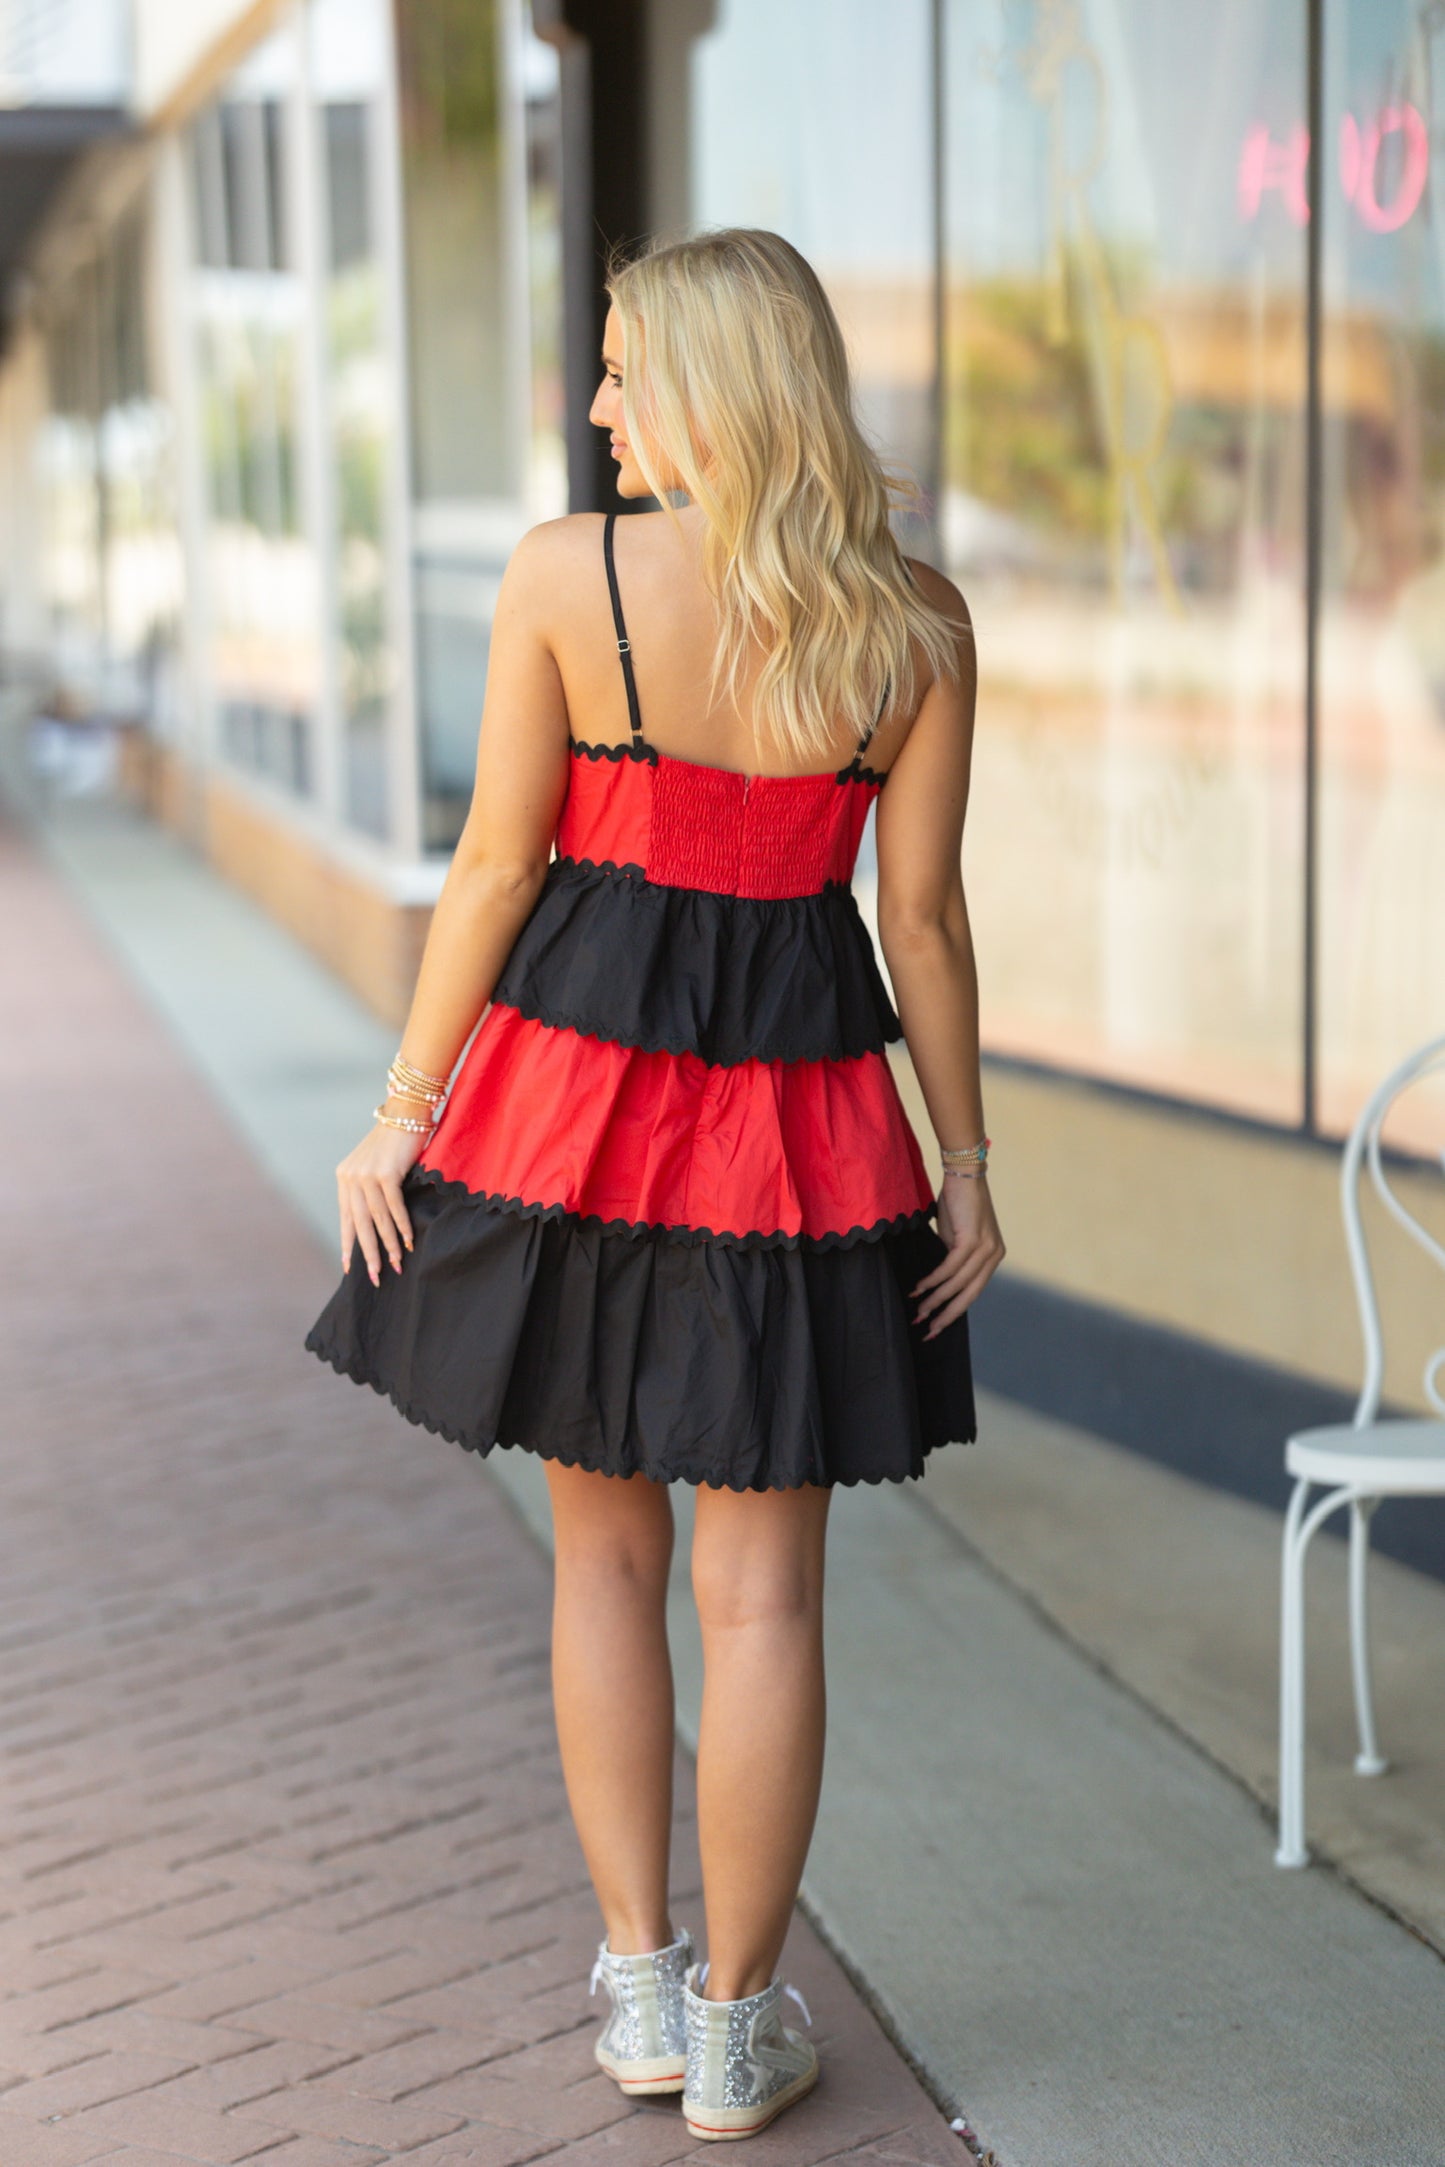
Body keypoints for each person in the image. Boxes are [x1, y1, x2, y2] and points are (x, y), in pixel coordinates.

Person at [306, 227, 1005, 2143]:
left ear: (716, 382)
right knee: (763, 1596)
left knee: (602, 1558)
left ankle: (634, 1983)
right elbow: (921, 926)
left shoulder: (571, 578)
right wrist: (967, 1169)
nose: (597, 403)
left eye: (623, 368)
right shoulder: (917, 624)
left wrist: (401, 1110)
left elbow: (494, 876)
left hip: (570, 1128)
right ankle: (733, 2023)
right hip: (797, 1143)